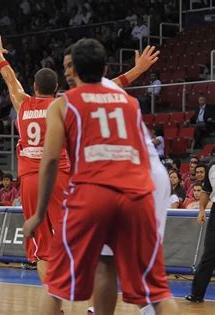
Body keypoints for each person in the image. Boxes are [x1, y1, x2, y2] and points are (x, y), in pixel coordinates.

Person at [23, 39, 179, 315]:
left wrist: (38, 214)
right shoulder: (128, 102)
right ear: (105, 68)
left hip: (94, 192)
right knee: (158, 291)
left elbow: (49, 161)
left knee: (56, 286)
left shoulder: (64, 104)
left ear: (73, 71)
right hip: (138, 191)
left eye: (69, 67)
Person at [63, 44, 171, 315]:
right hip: (137, 176)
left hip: (138, 176)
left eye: (68, 65)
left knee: (130, 264)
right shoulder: (103, 94)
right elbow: (122, 81)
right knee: (110, 260)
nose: (67, 71)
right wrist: (140, 69)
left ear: (76, 69)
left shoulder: (78, 99)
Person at [0, 29, 71, 283]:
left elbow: (10, 79)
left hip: (32, 181)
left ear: (34, 87)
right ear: (56, 88)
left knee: (41, 250)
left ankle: (54, 305)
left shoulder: (23, 102)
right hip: (59, 177)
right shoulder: (63, 105)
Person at [186, 159, 215, 302]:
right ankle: (197, 294)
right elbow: (206, 191)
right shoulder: (212, 165)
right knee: (209, 253)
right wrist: (202, 210)